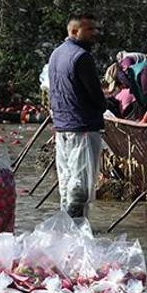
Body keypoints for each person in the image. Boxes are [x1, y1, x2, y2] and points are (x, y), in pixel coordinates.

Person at [48, 13, 107, 221]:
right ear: (74, 31)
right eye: (89, 30)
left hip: (63, 126)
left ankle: (69, 229)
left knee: (67, 181)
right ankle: (76, 229)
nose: (94, 34)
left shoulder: (56, 54)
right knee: (81, 184)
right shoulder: (82, 57)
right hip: (82, 126)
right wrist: (104, 103)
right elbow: (95, 95)